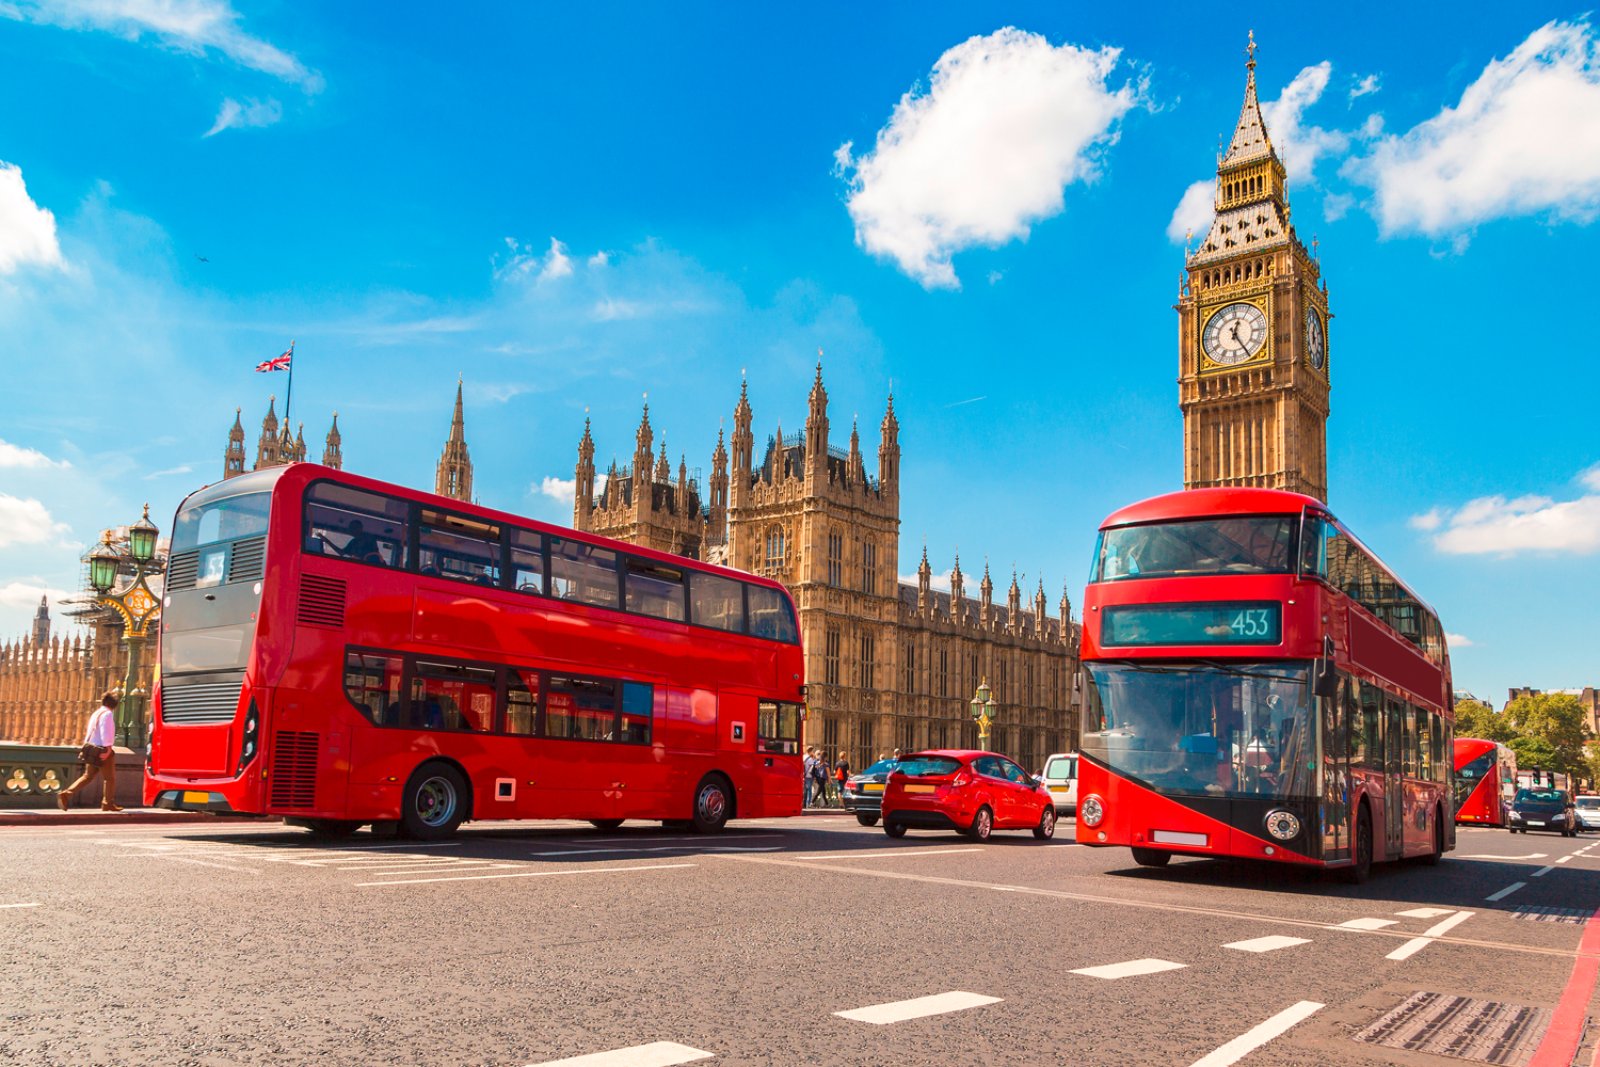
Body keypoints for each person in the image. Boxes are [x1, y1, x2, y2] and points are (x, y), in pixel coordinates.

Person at [59, 692, 121, 812]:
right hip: (102, 750)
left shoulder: (96, 713)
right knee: (109, 778)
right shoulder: (107, 714)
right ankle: (107, 803)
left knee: (88, 776)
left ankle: (66, 794)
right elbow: (106, 732)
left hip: (92, 749)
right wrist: (108, 749)